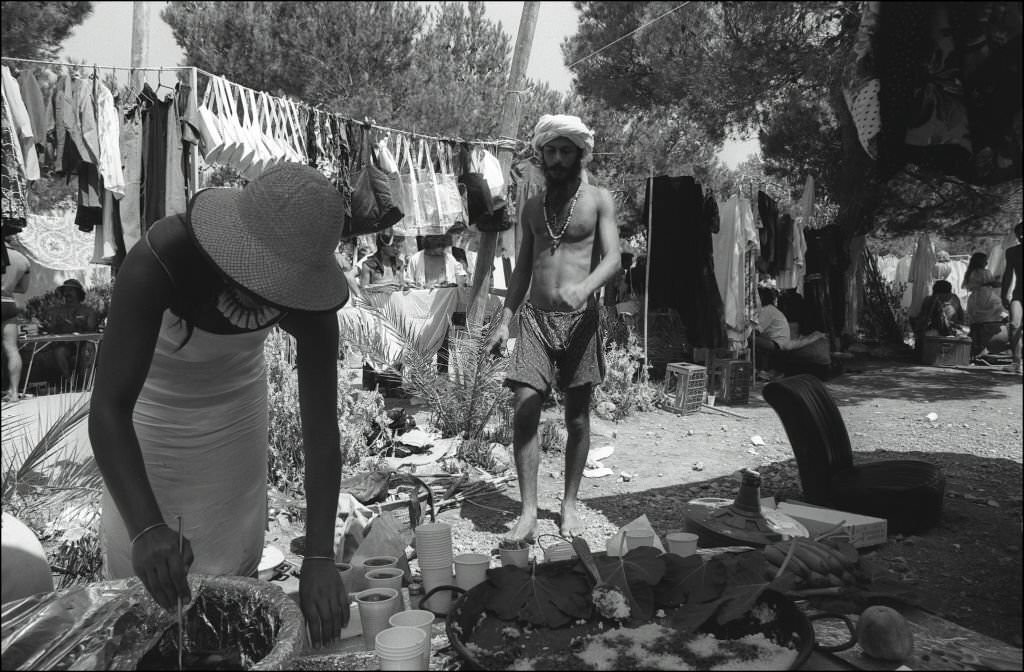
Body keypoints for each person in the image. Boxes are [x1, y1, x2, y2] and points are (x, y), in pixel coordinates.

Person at [88, 163, 351, 647]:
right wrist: (146, 526)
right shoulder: (160, 260)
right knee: (141, 589)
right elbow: (108, 408)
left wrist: (318, 558)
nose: (265, 292)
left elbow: (320, 435)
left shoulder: (309, 301)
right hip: (149, 418)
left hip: (235, 416)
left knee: (232, 586)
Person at [484, 114, 621, 540]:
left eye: (566, 151)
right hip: (537, 323)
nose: (558, 158)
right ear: (541, 155)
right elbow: (523, 268)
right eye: (551, 151)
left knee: (577, 418)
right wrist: (504, 321)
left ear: (580, 154)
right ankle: (526, 512)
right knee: (524, 407)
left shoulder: (598, 199)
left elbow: (614, 259)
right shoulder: (531, 208)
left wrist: (586, 288)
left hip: (581, 321)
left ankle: (569, 503)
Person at [41, 278, 99, 388]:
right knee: (59, 352)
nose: (67, 293)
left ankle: (85, 387)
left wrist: (75, 325)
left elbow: (91, 330)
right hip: (66, 344)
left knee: (88, 349)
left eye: (71, 290)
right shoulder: (57, 310)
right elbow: (50, 328)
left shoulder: (88, 311)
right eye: (65, 291)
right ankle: (69, 384)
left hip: (84, 343)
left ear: (78, 293)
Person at [2, 245, 31, 402]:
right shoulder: (22, 259)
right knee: (12, 349)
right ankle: (13, 392)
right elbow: (23, 289)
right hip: (8, 303)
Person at [965, 269, 1008, 362]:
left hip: (976, 333)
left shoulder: (972, 297)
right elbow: (1002, 314)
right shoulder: (992, 296)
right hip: (992, 335)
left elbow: (970, 316)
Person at [1002, 221, 1022, 373]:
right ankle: (1016, 362)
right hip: (1019, 294)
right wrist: (1003, 294)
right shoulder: (1012, 252)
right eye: (1019, 233)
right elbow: (1008, 274)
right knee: (1014, 325)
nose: (1021, 235)